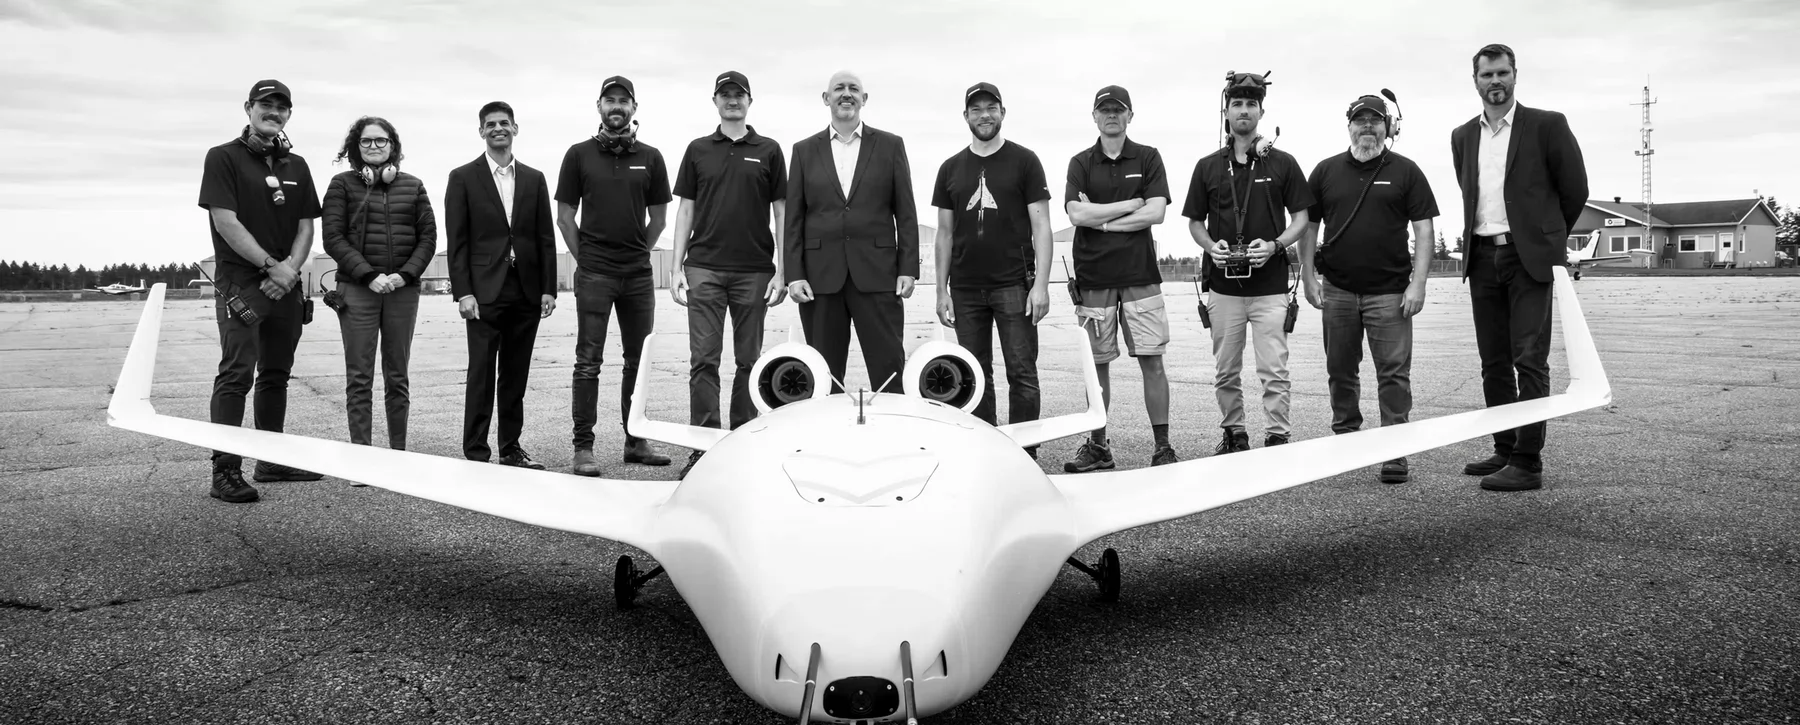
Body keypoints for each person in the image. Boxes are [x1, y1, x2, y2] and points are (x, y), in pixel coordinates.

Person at [1450, 44, 1588, 491]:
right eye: (1487, 75)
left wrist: (1544, 237)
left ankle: (1528, 462)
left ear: (1515, 76)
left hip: (1528, 259)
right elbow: (1469, 189)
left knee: (1529, 359)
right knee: (1493, 361)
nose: (1495, 82)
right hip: (1482, 256)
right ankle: (1504, 447)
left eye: (1502, 73)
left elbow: (1575, 189)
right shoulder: (1462, 135)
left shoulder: (1547, 125)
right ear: (1475, 81)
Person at [196, 79, 324, 503]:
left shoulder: (297, 165)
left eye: (282, 107)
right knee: (236, 374)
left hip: (285, 284)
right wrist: (271, 266)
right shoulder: (223, 158)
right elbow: (226, 222)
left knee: (275, 374)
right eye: (265, 104)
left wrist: (288, 270)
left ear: (289, 114)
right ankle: (225, 470)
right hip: (242, 283)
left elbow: (307, 225)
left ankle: (270, 460)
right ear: (248, 108)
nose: (274, 112)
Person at [1299, 94, 1438, 484]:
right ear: (1348, 126)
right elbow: (1308, 228)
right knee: (1340, 370)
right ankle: (1345, 441)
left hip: (1391, 292)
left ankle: (1395, 450)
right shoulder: (1326, 171)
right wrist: (1308, 276)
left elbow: (1423, 229)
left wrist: (1418, 283)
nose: (1367, 127)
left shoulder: (1406, 171)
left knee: (1393, 374)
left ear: (1389, 127)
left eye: (1375, 121)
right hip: (1338, 291)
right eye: (1360, 121)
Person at [1182, 71, 1314, 456]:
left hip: (1270, 286)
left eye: (1251, 105)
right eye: (1237, 104)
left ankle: (1276, 437)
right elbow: (1194, 222)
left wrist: (1275, 245)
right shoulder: (1207, 166)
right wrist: (1211, 247)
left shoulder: (1283, 163)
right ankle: (1234, 433)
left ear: (1261, 111)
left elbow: (1302, 219)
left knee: (1274, 370)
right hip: (1223, 289)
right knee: (1226, 370)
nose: (1244, 110)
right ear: (1226, 111)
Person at [669, 71, 789, 477]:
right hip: (702, 267)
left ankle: (742, 441)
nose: (732, 101)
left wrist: (782, 271)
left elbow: (782, 213)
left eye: (739, 95)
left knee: (749, 361)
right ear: (715, 101)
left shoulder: (769, 150)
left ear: (749, 101)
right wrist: (675, 266)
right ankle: (703, 447)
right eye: (725, 95)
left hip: (754, 271)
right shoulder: (698, 149)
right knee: (703, 360)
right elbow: (685, 209)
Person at [557, 76, 673, 473]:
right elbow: (565, 217)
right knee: (588, 361)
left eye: (624, 100)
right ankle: (583, 447)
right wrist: (586, 258)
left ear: (634, 109)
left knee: (637, 361)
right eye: (610, 100)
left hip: (637, 276)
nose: (617, 106)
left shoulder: (652, 157)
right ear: (599, 107)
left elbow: (659, 217)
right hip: (595, 274)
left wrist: (640, 249)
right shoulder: (578, 155)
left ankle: (635, 441)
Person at [1061, 85, 1176, 472]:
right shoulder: (1080, 162)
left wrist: (1102, 219)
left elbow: (1156, 212)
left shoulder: (1148, 157)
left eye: (1118, 109)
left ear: (1130, 115)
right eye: (1104, 109)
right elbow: (1076, 214)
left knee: (1152, 361)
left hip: (1139, 274)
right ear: (1094, 116)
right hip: (1093, 277)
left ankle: (1162, 446)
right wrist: (1128, 205)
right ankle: (1098, 447)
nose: (1111, 115)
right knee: (1098, 365)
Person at [784, 70, 919, 394]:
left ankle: (895, 437)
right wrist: (794, 274)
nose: (847, 94)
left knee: (889, 371)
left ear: (864, 99)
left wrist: (907, 269)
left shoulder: (890, 146)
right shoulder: (804, 151)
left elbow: (906, 212)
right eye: (839, 89)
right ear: (826, 98)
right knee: (822, 376)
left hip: (877, 274)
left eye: (854, 89)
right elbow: (794, 218)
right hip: (820, 279)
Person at [930, 82, 1052, 441]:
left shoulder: (1025, 161)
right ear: (965, 116)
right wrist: (941, 291)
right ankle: (987, 449)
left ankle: (1025, 453)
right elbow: (944, 233)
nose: (985, 115)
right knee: (974, 374)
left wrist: (1040, 286)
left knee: (1022, 373)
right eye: (976, 109)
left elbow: (1042, 225)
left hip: (1014, 285)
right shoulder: (950, 168)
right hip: (965, 290)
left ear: (1002, 112)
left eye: (991, 108)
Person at [446, 101, 558, 469]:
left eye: (504, 123)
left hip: (524, 290)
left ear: (515, 129)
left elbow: (545, 237)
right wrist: (463, 291)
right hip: (483, 293)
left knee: (515, 375)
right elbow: (457, 240)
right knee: (481, 373)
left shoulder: (534, 178)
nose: (498, 128)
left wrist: (548, 288)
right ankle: (476, 452)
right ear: (481, 131)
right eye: (490, 124)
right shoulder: (463, 177)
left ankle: (511, 449)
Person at [320, 116, 436, 452]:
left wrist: (405, 274)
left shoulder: (414, 186)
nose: (374, 147)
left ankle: (397, 453)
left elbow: (428, 237)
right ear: (356, 148)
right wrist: (369, 276)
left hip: (403, 291)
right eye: (367, 141)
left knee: (397, 377)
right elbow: (333, 238)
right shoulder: (340, 185)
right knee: (359, 378)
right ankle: (362, 455)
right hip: (357, 290)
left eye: (380, 141)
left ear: (393, 146)